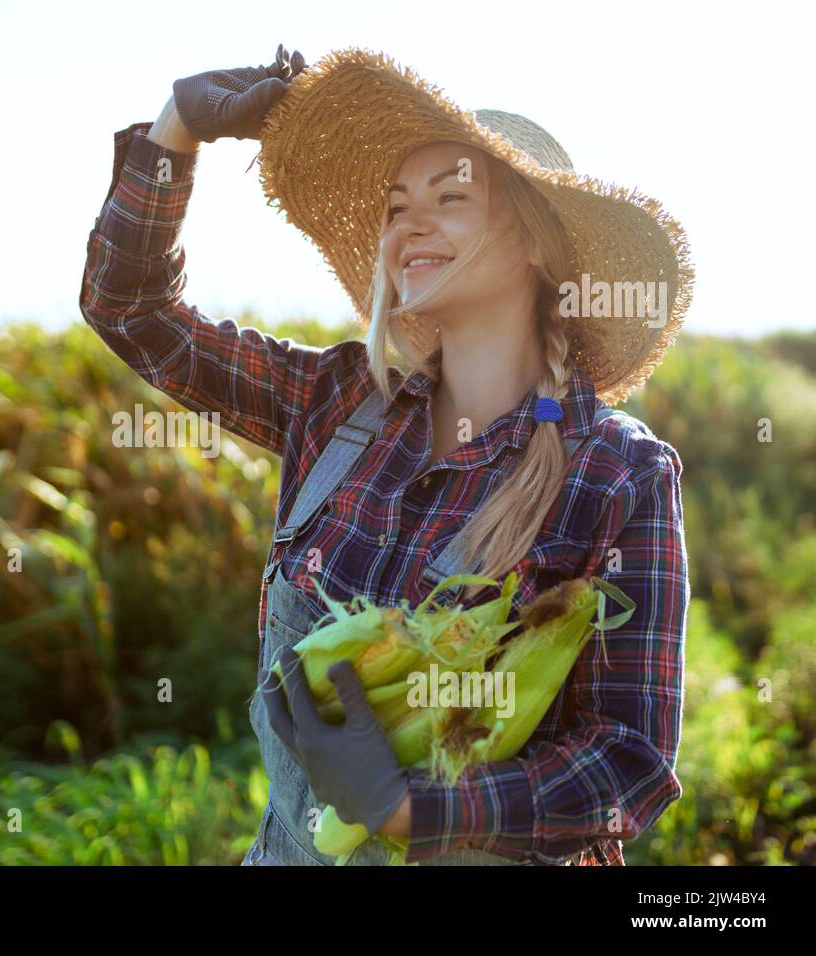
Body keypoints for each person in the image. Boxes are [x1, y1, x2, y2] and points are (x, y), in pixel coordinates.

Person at [78, 45, 692, 866]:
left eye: (450, 197)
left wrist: (412, 809)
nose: (408, 226)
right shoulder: (337, 402)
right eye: (398, 206)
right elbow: (132, 311)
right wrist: (176, 130)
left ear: (540, 245)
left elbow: (627, 764)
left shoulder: (614, 473)